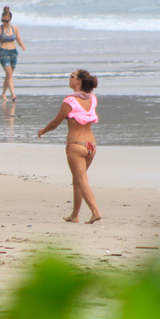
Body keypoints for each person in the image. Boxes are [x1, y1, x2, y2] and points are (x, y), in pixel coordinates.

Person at [37, 69, 102, 224]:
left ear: (79, 81)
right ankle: (75, 214)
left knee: (81, 180)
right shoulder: (93, 99)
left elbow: (55, 122)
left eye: (72, 76)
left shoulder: (70, 101)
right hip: (91, 146)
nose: (69, 79)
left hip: (76, 145)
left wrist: (43, 130)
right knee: (78, 180)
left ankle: (95, 211)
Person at [0, 6, 27, 101]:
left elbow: (18, 39)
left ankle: (3, 94)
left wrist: (22, 45)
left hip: (13, 52)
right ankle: (13, 95)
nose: (4, 23)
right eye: (2, 21)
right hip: (3, 52)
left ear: (10, 19)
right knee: (9, 73)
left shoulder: (15, 28)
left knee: (9, 75)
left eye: (6, 21)